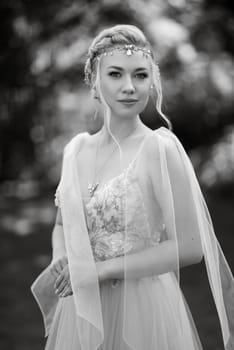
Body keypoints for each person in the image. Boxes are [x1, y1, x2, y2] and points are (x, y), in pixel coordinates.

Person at [31, 24, 234, 350]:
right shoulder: (75, 151)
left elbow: (190, 246)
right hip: (82, 308)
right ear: (94, 80)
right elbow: (60, 223)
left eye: (140, 75)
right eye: (115, 74)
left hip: (143, 310)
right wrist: (61, 257)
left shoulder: (158, 150)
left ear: (152, 80)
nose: (129, 87)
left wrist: (100, 270)